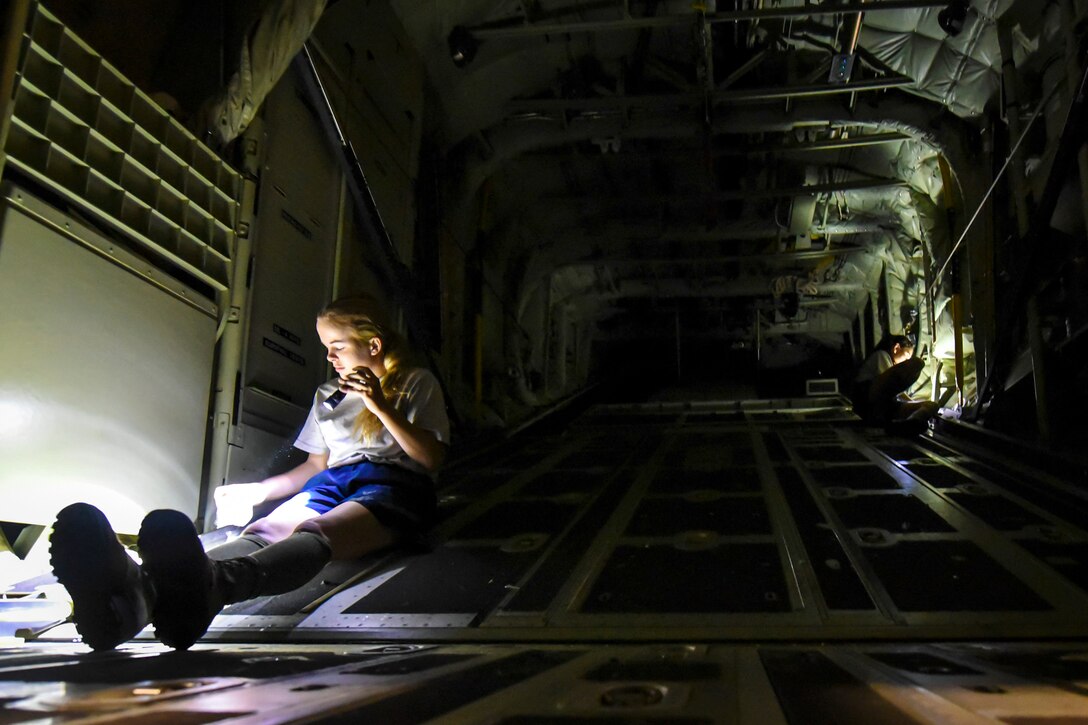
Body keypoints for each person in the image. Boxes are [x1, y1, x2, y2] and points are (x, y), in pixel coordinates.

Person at [49, 295, 450, 651]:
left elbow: (429, 458)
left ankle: (180, 590)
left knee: (319, 533)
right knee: (265, 531)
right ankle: (138, 594)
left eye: (337, 346)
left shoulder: (415, 383)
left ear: (373, 345)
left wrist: (379, 405)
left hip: (393, 486)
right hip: (335, 481)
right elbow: (315, 466)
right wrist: (257, 492)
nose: (329, 357)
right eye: (326, 347)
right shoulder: (327, 395)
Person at [850, 334, 938, 426]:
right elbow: (886, 386)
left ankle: (911, 422)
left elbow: (893, 391)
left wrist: (912, 402)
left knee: (932, 406)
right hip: (867, 398)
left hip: (885, 406)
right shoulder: (882, 355)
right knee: (918, 363)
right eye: (907, 356)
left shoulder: (892, 370)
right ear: (896, 348)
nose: (907, 360)